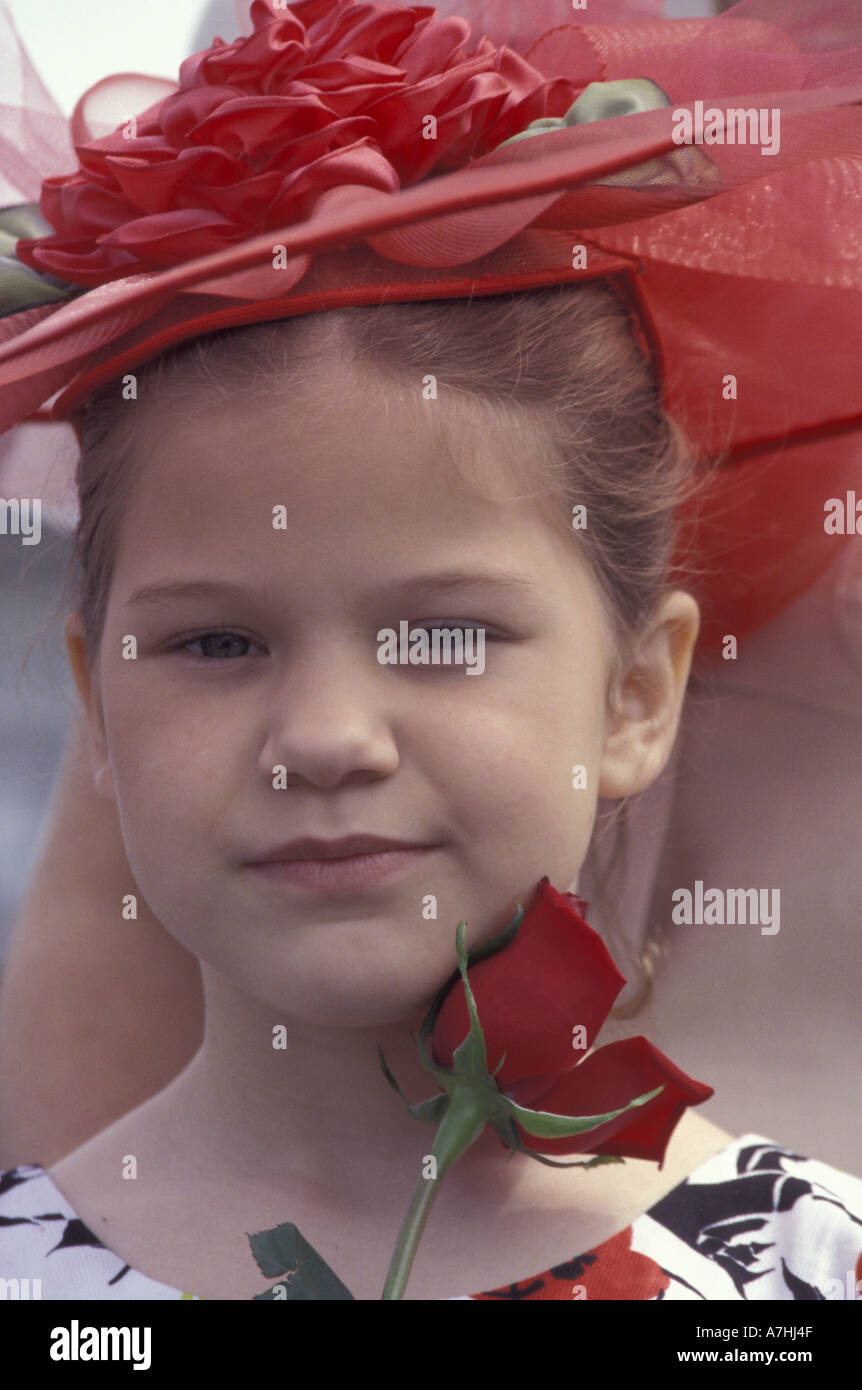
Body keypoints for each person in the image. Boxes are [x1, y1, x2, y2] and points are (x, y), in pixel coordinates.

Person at [1, 0, 861, 1300]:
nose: (327, 733)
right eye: (217, 638)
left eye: (443, 633)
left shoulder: (807, 1273)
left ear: (637, 692)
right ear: (95, 709)